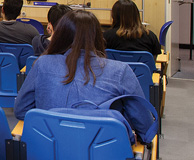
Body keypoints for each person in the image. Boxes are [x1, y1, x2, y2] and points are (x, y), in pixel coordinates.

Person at [15, 11, 153, 134]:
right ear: (98, 36)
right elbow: (145, 126)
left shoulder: (41, 64)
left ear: (60, 35)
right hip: (105, 157)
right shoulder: (121, 71)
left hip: (48, 155)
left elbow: (21, 110)